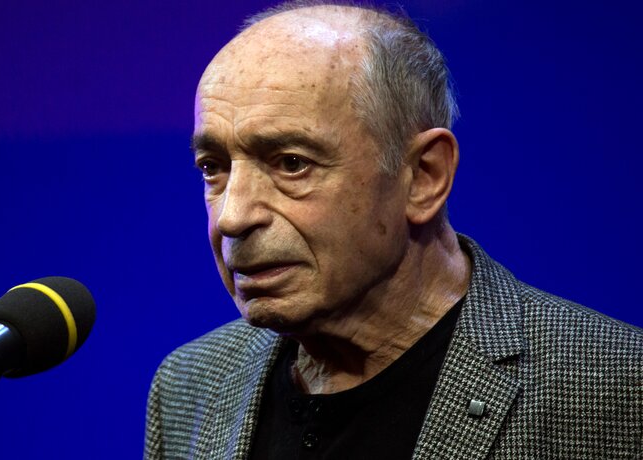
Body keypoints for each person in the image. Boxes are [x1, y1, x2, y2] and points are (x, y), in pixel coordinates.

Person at [144, 2, 643, 459]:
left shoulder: (615, 388)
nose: (231, 218)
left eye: (291, 163)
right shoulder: (188, 385)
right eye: (213, 167)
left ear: (424, 176)